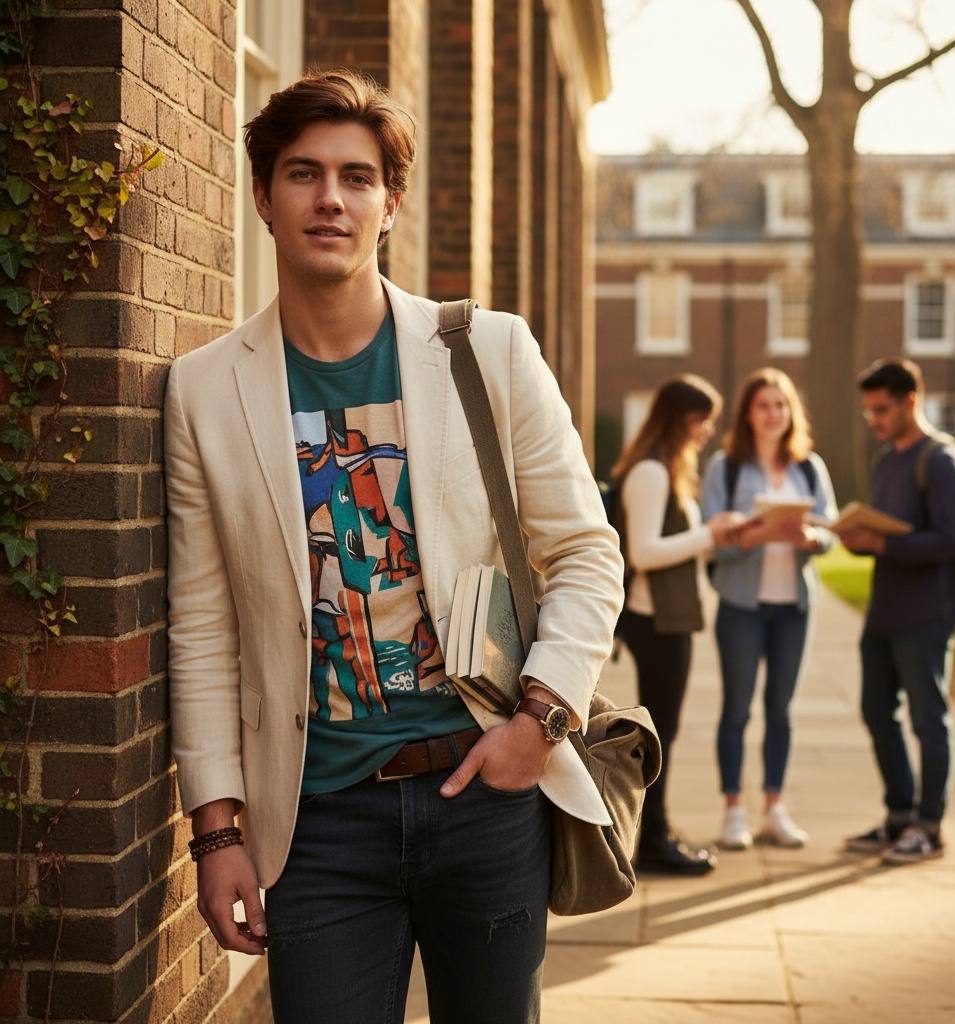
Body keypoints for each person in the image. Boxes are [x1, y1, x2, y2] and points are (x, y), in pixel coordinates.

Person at [164, 69, 623, 1024]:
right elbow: (203, 627)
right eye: (302, 173)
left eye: (356, 176)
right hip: (318, 821)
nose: (330, 197)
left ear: (390, 203)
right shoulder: (204, 390)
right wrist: (216, 835)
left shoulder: (487, 350)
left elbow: (585, 552)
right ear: (262, 197)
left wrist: (537, 725)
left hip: (485, 794)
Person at [610, 375, 745, 875]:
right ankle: (651, 842)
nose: (709, 429)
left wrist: (713, 535)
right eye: (702, 418)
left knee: (664, 731)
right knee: (659, 734)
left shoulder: (666, 468)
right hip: (654, 620)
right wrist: (708, 534)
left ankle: (657, 832)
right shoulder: (650, 471)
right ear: (678, 419)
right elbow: (642, 552)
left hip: (669, 619)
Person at [839, 358, 955, 864]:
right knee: (876, 710)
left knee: (928, 718)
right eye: (868, 410)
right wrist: (859, 542)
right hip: (884, 609)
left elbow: (950, 540)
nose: (873, 419)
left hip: (928, 611)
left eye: (882, 409)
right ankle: (898, 815)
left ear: (910, 400)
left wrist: (883, 543)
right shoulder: (887, 460)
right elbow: (888, 535)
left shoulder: (940, 459)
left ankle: (929, 827)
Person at [701, 367, 837, 850]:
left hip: (794, 608)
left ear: (790, 412)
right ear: (748, 414)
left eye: (780, 404)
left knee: (781, 710)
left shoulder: (808, 467)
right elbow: (711, 543)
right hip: (742, 606)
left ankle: (775, 807)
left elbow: (830, 532)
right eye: (763, 405)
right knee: (737, 709)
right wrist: (759, 534)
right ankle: (733, 811)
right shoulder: (725, 467)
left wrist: (811, 538)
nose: (773, 413)